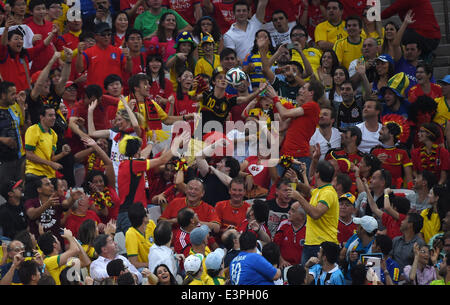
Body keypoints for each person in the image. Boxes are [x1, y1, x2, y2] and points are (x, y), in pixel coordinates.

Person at [288, 160, 339, 265]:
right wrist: (297, 182)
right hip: (314, 243)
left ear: (318, 174)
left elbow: (315, 214)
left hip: (322, 245)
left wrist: (298, 196)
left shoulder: (328, 193)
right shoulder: (321, 190)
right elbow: (309, 191)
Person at [269, 80, 324, 174]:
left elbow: (284, 113)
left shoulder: (313, 106)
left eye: (303, 88)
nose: (300, 90)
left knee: (297, 187)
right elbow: (281, 127)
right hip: (285, 154)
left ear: (311, 93)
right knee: (277, 187)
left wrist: (275, 98)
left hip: (299, 156)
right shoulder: (300, 111)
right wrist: (274, 102)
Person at [76, 22, 132, 89]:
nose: (107, 37)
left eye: (109, 34)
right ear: (96, 36)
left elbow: (128, 70)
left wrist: (129, 58)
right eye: (103, 35)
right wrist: (79, 54)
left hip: (115, 93)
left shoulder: (118, 51)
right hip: (96, 93)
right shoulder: (88, 52)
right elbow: (79, 69)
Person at [371, 114, 413, 187]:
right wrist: (376, 162)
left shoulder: (402, 152)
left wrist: (409, 192)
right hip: (378, 189)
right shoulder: (375, 151)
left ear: (391, 134)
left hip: (397, 191)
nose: (379, 132)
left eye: (383, 129)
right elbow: (368, 173)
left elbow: (409, 176)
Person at [0, 81, 25, 189]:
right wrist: (2, 139)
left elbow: (22, 125)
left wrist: (21, 105)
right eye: (12, 94)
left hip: (20, 157)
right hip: (4, 160)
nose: (15, 97)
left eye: (16, 93)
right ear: (3, 95)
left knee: (21, 190)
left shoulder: (15, 106)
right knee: (7, 192)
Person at [340, 215, 377, 281]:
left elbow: (374, 275)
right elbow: (342, 255)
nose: (356, 228)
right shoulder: (355, 237)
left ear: (362, 229)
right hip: (347, 278)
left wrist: (361, 266)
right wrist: (349, 258)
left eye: (358, 226)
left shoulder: (376, 247)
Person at [273, 201, 306, 267]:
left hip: (301, 267)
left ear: (301, 216)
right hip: (283, 265)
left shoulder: (309, 229)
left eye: (293, 210)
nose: (289, 212)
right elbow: (275, 245)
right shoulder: (284, 224)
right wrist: (281, 260)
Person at [125, 202, 154, 269]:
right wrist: (152, 264)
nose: (149, 213)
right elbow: (133, 263)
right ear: (144, 218)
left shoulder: (151, 224)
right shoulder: (130, 234)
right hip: (144, 269)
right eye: (147, 212)